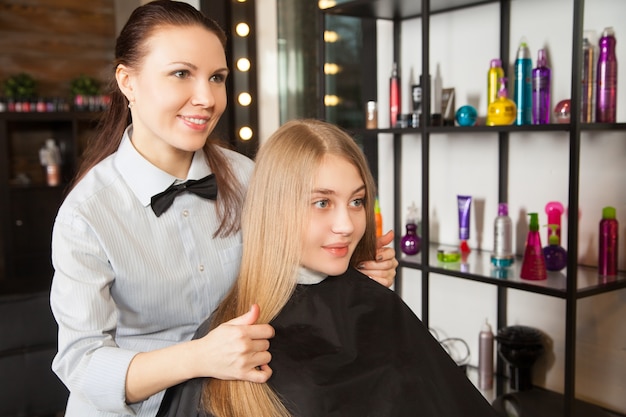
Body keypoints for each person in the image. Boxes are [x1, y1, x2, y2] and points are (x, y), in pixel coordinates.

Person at [49, 2, 397, 417]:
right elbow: (81, 365)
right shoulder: (86, 215)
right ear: (128, 81)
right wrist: (198, 357)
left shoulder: (247, 176)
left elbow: (285, 274)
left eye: (217, 78)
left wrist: (352, 273)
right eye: (182, 73)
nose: (207, 97)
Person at [156, 119, 499, 417]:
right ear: (275, 211)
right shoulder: (223, 348)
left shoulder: (376, 305)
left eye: (357, 201)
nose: (346, 225)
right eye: (322, 203)